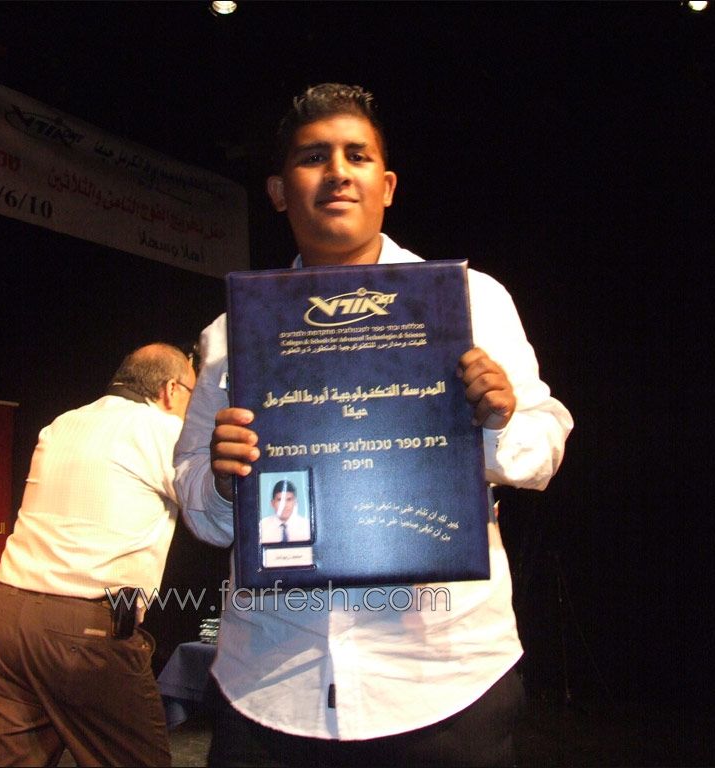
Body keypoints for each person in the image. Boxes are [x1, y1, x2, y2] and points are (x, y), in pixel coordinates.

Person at [174, 84, 573, 766]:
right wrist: (220, 479)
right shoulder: (230, 335)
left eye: (357, 156)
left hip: (440, 682)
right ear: (279, 191)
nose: (337, 172)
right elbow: (198, 506)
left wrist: (497, 420)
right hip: (272, 685)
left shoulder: (470, 301)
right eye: (313, 157)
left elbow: (542, 449)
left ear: (385, 186)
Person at [0, 343, 197, 767]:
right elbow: (212, 510)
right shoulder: (162, 430)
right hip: (83, 633)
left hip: (5, 620)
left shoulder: (62, 424)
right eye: (193, 395)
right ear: (170, 390)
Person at [259, 479, 310, 544]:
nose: (284, 505)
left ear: (295, 503)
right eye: (279, 500)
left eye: (289, 500)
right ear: (272, 503)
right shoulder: (262, 526)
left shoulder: (307, 527)